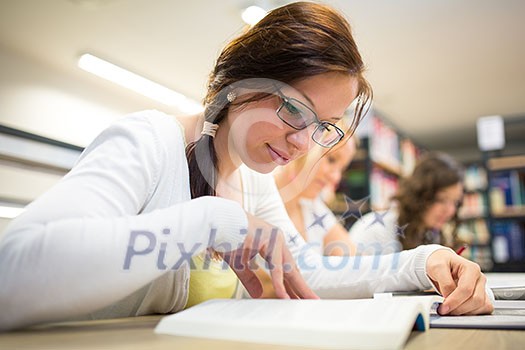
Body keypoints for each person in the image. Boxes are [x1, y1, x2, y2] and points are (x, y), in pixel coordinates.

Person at [0, 2, 492, 331]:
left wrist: (421, 261)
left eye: (322, 125)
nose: (303, 143)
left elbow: (303, 272)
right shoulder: (148, 141)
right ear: (237, 85)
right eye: (294, 110)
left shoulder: (252, 180)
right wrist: (216, 221)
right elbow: (11, 275)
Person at [349, 152, 464, 254]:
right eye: (441, 199)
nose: (450, 210)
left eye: (455, 202)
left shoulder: (430, 234)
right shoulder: (377, 229)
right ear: (420, 194)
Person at [274, 136, 357, 256]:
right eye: (331, 160)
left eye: (342, 169)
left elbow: (349, 253)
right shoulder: (255, 191)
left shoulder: (313, 207)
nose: (336, 177)